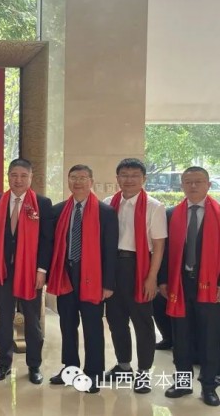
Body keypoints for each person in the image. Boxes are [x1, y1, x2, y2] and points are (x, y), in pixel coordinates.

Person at [48, 164, 118, 394]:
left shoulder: (106, 212)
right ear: (68, 181)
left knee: (92, 326)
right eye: (73, 177)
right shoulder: (58, 210)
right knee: (67, 325)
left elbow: (110, 251)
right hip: (66, 275)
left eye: (83, 177)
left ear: (91, 182)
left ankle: (94, 373)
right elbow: (51, 246)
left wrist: (108, 283)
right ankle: (70, 369)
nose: (78, 182)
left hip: (93, 277)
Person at [102, 158, 166, 393]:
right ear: (117, 178)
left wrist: (152, 278)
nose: (129, 180)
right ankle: (123, 365)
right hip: (112, 267)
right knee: (115, 319)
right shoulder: (108, 203)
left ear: (144, 179)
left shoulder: (154, 206)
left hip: (139, 267)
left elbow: (158, 246)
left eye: (134, 175)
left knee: (143, 322)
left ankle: (144, 372)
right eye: (124, 175)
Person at [0, 159, 53, 385]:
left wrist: (42, 270)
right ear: (8, 176)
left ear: (31, 178)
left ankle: (34, 365)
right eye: (14, 175)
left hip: (31, 272)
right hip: (3, 271)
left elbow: (47, 240)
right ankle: (4, 364)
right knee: (5, 319)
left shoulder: (42, 204)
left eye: (23, 175)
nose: (18, 180)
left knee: (32, 321)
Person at [160, 166, 220, 406]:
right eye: (188, 182)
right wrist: (163, 280)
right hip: (179, 284)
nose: (193, 186)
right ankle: (183, 383)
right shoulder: (171, 214)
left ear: (208, 185)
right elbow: (163, 251)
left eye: (198, 181)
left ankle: (209, 386)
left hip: (212, 285)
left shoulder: (218, 214)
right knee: (181, 336)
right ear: (182, 185)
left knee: (210, 338)